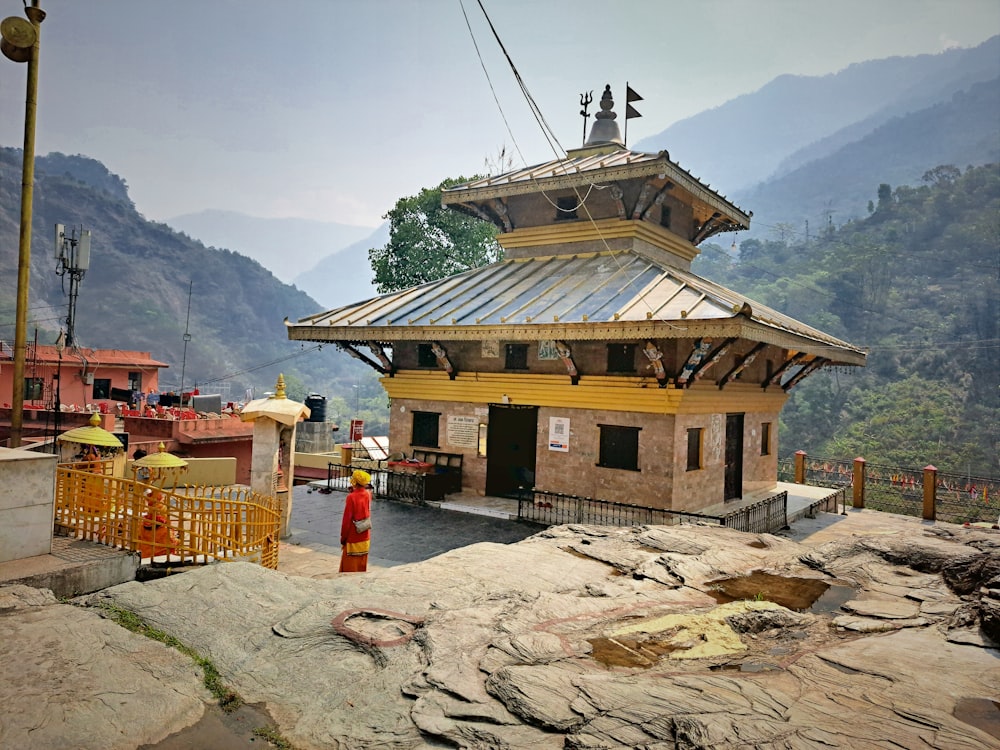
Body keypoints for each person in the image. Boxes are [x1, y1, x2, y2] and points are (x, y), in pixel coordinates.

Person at [339, 469, 372, 573]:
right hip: (365, 535)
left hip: (353, 536)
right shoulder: (368, 494)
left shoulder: (351, 497)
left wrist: (343, 538)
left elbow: (346, 520)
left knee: (349, 568)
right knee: (361, 566)